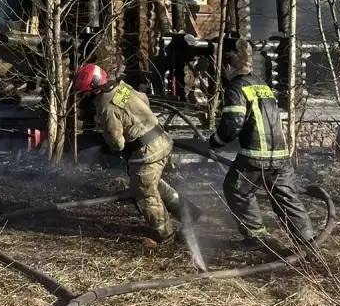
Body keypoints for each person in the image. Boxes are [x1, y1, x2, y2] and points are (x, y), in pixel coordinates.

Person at [209, 47, 318, 253]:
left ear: (227, 67)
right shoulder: (261, 84)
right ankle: (308, 242)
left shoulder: (236, 86)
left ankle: (256, 237)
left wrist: (215, 141)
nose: (222, 74)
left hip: (255, 156)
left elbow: (233, 125)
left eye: (222, 69)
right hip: (280, 154)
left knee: (236, 189)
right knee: (286, 197)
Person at [73, 62, 183, 242]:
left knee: (145, 194)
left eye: (85, 92)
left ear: (92, 88)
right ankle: (188, 213)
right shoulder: (122, 87)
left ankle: (165, 235)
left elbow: (117, 143)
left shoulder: (105, 107)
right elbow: (143, 99)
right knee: (152, 183)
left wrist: (108, 142)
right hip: (162, 139)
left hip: (147, 152)